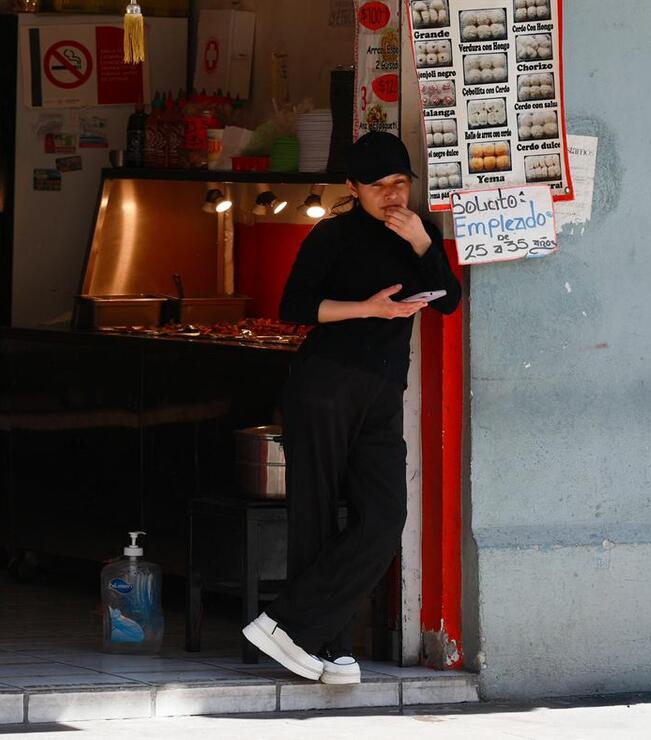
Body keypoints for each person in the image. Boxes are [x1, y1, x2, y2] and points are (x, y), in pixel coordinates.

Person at [241, 132, 462, 685]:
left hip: (384, 390)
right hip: (326, 383)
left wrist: (422, 245)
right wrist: (369, 308)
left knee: (385, 518)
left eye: (401, 184)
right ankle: (327, 646)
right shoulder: (332, 234)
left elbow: (450, 300)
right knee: (315, 514)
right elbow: (295, 306)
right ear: (353, 188)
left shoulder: (419, 233)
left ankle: (289, 626)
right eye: (380, 186)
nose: (393, 196)